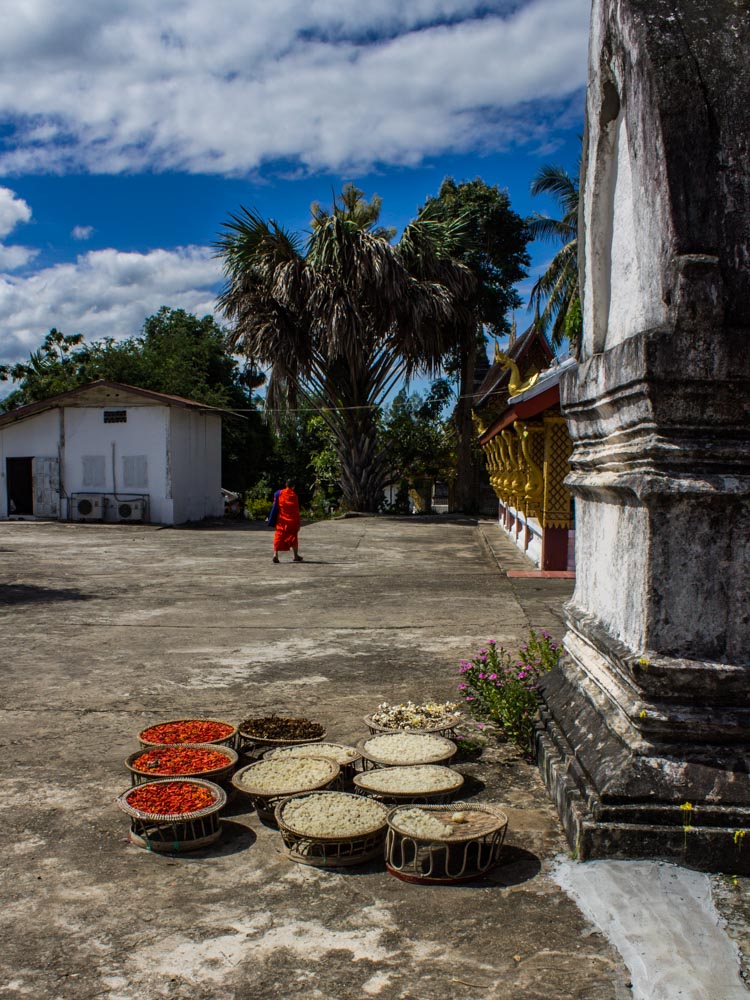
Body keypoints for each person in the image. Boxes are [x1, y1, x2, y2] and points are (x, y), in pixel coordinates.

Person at [268, 480, 303, 563]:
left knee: (278, 536)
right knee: (293, 538)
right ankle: (295, 556)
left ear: (286, 485)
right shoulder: (294, 496)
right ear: (293, 486)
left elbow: (275, 504)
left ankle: (275, 555)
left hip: (282, 520)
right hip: (292, 521)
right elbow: (296, 511)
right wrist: (298, 524)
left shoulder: (279, 493)